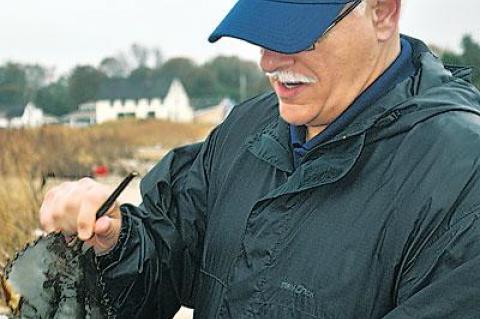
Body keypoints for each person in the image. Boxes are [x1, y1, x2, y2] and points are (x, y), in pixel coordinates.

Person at [40, 0, 480, 318]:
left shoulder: (461, 174)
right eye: (264, 33)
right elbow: (163, 260)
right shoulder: (247, 128)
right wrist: (115, 242)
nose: (270, 61)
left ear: (382, 12)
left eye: (298, 34)